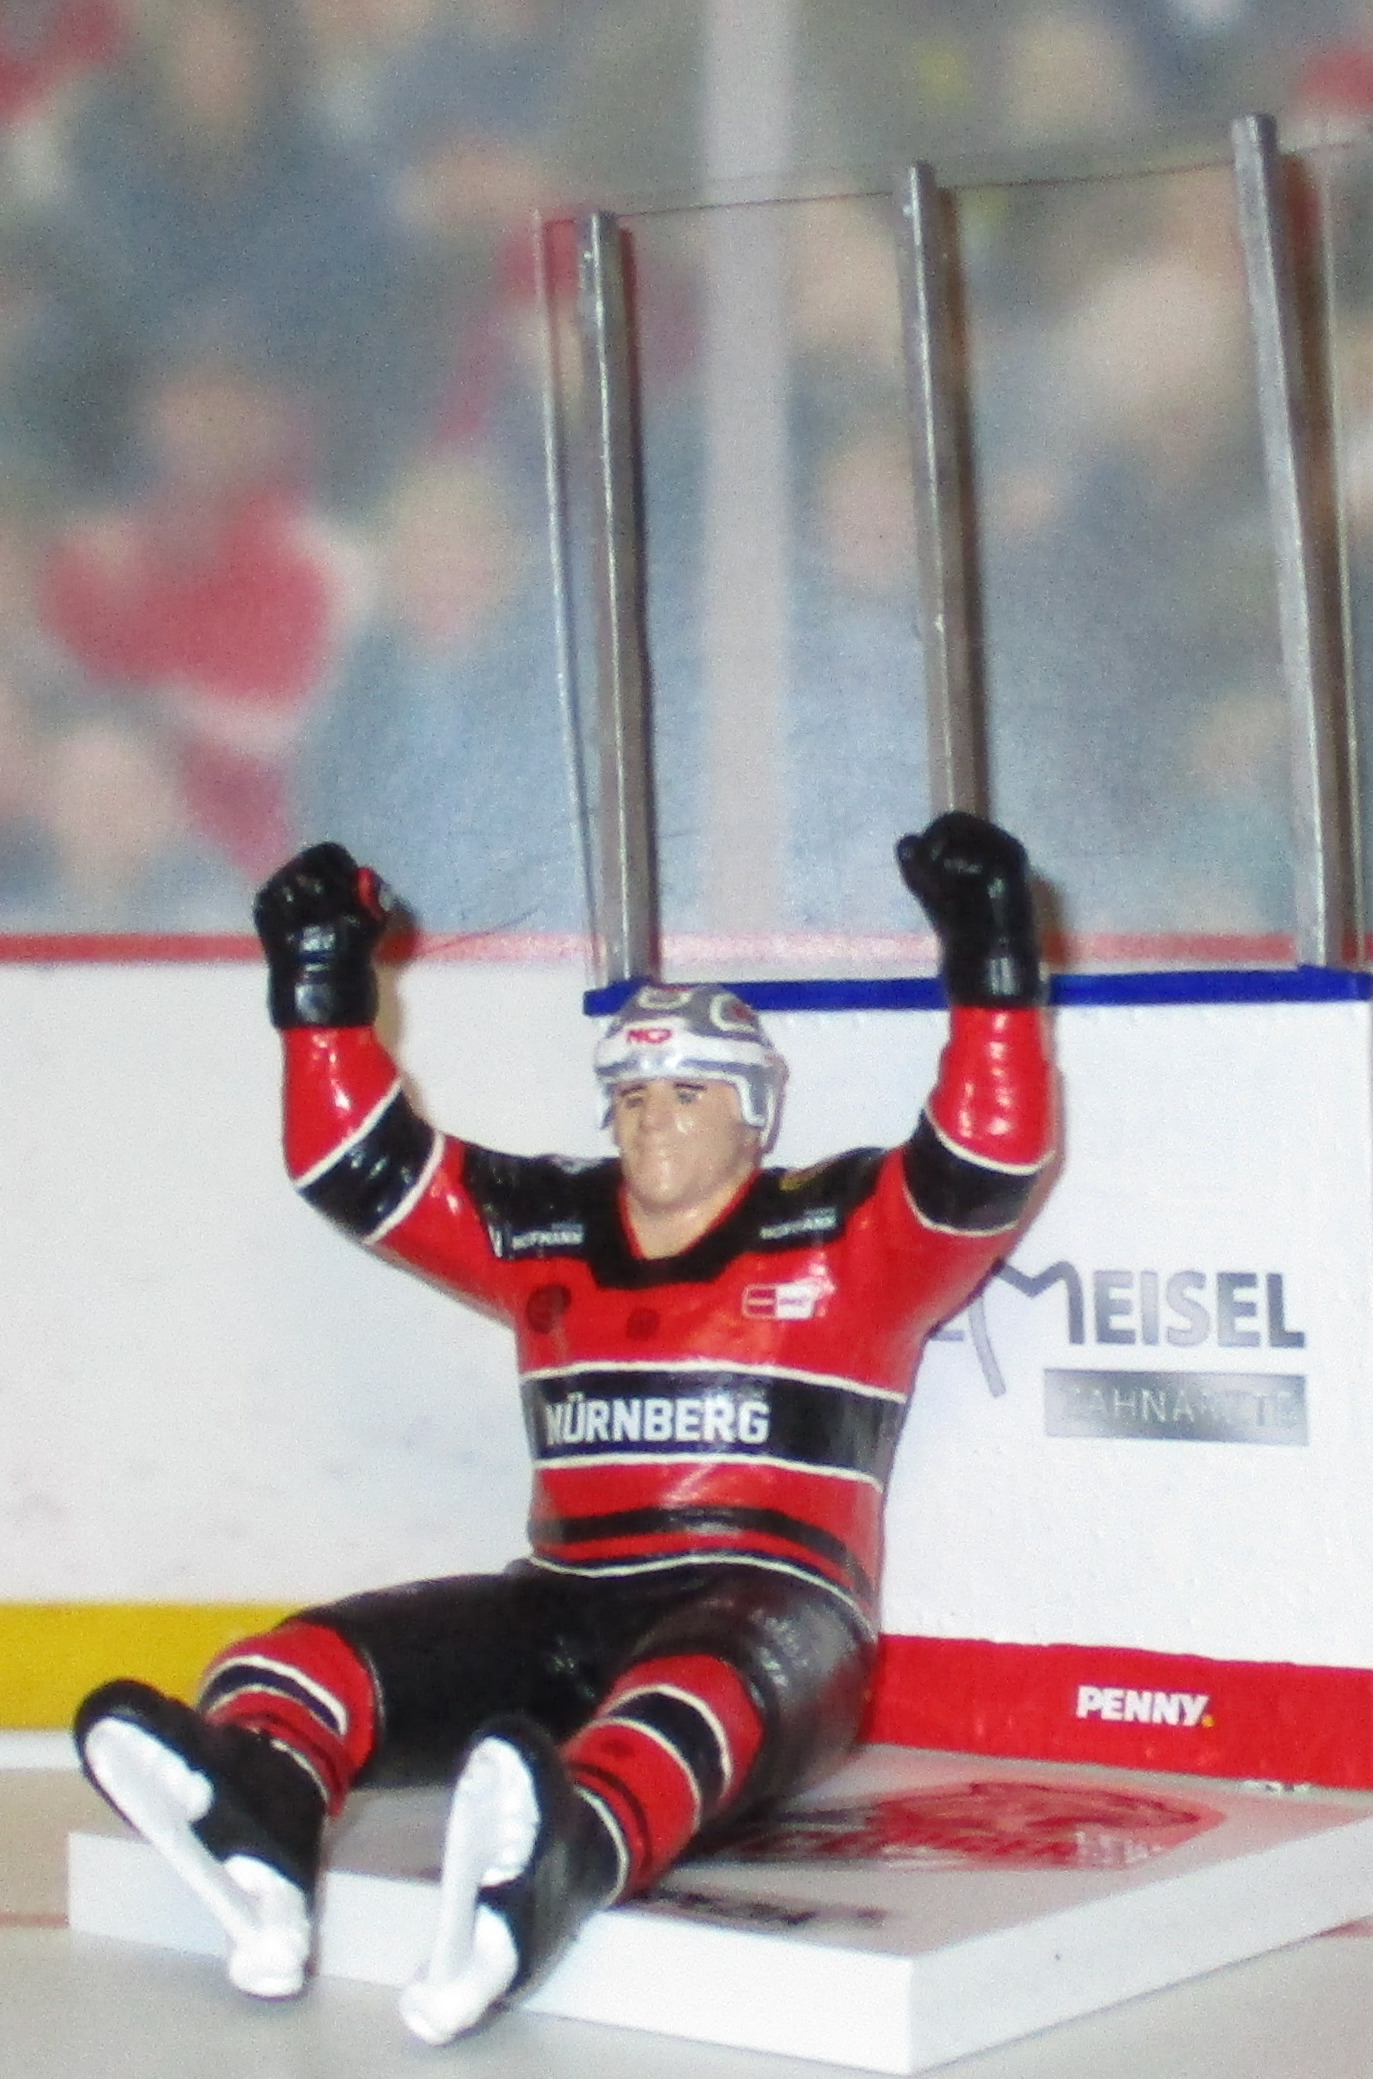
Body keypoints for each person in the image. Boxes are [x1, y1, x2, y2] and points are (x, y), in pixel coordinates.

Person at [73, 809, 1056, 2042]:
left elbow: (982, 1162)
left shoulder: (839, 1234)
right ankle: (258, 1816)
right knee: (304, 1659)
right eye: (630, 1095)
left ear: (754, 1114)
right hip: (559, 1602)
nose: (654, 1120)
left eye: (687, 1093)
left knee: (694, 1694)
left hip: (775, 1607)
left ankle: (557, 1858)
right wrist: (321, 996)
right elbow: (363, 1170)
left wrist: (991, 964)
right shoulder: (547, 1221)